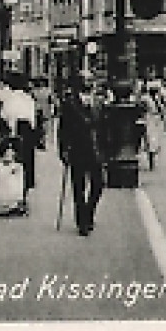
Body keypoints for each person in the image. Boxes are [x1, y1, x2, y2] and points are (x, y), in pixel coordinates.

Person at [57, 77, 105, 236]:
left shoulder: (99, 102)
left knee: (98, 184)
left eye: (91, 81)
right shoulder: (70, 103)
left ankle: (88, 211)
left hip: (96, 149)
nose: (89, 85)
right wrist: (63, 150)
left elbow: (104, 127)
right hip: (77, 149)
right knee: (79, 187)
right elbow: (62, 129)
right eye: (86, 82)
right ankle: (82, 221)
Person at [0, 75, 39, 205]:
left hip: (14, 132)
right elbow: (33, 119)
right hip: (27, 133)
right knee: (26, 164)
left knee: (12, 163)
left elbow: (5, 116)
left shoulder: (9, 98)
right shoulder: (28, 99)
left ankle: (11, 194)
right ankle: (23, 195)